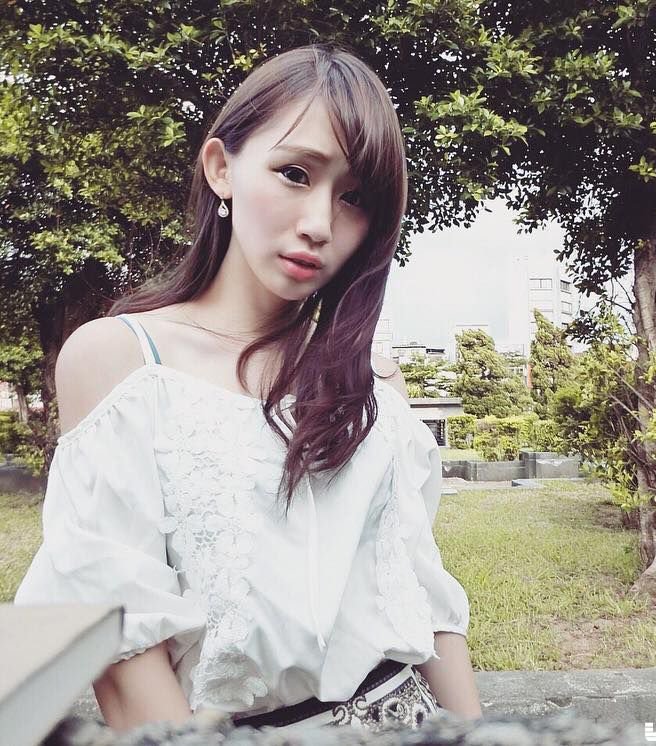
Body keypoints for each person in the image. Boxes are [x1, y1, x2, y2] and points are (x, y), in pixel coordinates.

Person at [14, 44, 481, 733]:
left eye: (354, 198)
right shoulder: (122, 361)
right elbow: (120, 641)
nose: (319, 223)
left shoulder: (373, 379)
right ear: (221, 168)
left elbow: (422, 595)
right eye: (295, 173)